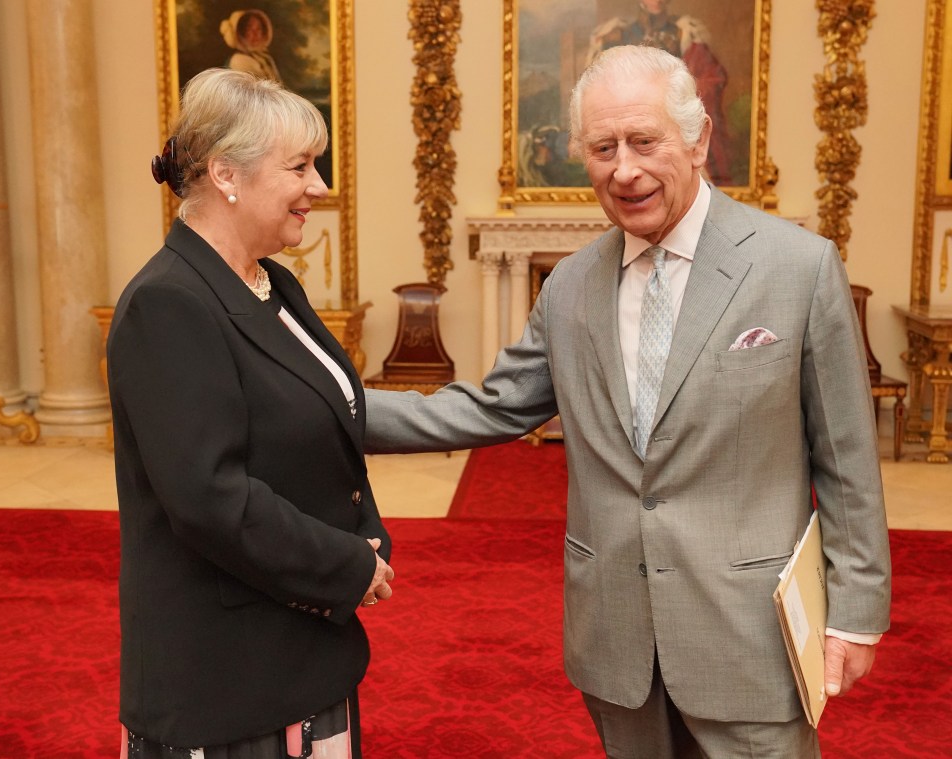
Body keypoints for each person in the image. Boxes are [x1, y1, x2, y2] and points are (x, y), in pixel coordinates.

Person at [364, 45, 890, 758]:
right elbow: (492, 407)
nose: (625, 169)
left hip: (750, 639)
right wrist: (333, 405)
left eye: (645, 142)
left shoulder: (797, 268)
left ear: (699, 138)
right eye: (603, 147)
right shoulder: (572, 285)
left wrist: (856, 614)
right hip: (617, 640)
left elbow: (848, 458)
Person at [110, 68, 393, 759]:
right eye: (299, 165)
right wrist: (346, 564)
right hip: (225, 678)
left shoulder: (274, 281)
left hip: (299, 648)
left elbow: (326, 417)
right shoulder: (168, 303)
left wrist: (368, 533)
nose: (319, 186)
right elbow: (210, 498)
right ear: (225, 174)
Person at [586, 0, 733, 185]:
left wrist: (681, 94)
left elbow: (712, 77)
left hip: (668, 121)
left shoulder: (684, 33)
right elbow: (594, 86)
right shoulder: (616, 34)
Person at [220, 9, 282, 83]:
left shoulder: (264, 58)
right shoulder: (239, 60)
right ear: (240, 33)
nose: (255, 34)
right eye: (249, 29)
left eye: (258, 29)